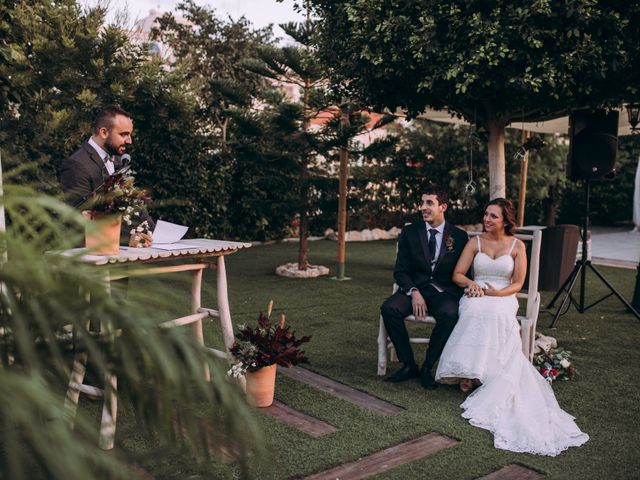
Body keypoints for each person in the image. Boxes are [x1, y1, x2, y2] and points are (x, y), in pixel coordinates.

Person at [436, 198, 589, 456]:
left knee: (495, 312)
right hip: (477, 293)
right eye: (486, 214)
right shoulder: (475, 242)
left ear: (505, 221)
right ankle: (468, 372)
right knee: (474, 309)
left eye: (493, 216)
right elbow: (458, 274)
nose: (486, 219)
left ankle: (487, 372)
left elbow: (518, 284)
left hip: (504, 296)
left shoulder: (518, 246)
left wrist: (498, 295)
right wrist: (471, 285)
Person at [380, 187, 469, 389]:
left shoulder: (460, 237)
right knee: (389, 308)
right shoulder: (410, 232)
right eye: (422, 203)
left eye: (429, 203)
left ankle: (428, 366)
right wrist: (413, 291)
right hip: (415, 289)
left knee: (450, 314)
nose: (423, 207)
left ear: (443, 207)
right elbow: (400, 271)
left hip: (443, 291)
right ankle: (408, 364)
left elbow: (464, 271)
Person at [60, 105, 153, 247]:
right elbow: (80, 218)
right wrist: (127, 239)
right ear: (104, 132)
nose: (129, 141)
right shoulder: (77, 165)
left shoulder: (117, 161)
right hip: (90, 257)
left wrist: (152, 230)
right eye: (124, 134)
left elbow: (133, 204)